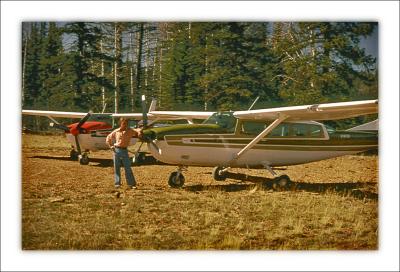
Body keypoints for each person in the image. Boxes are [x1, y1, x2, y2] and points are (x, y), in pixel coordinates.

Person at [106, 118, 143, 189]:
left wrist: (140, 132)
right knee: (116, 167)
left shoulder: (130, 131)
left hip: (124, 151)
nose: (125, 124)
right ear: (121, 123)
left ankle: (131, 184)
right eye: (123, 123)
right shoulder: (116, 131)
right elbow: (108, 138)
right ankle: (117, 184)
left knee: (128, 167)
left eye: (126, 123)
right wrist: (110, 146)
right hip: (116, 150)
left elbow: (137, 130)